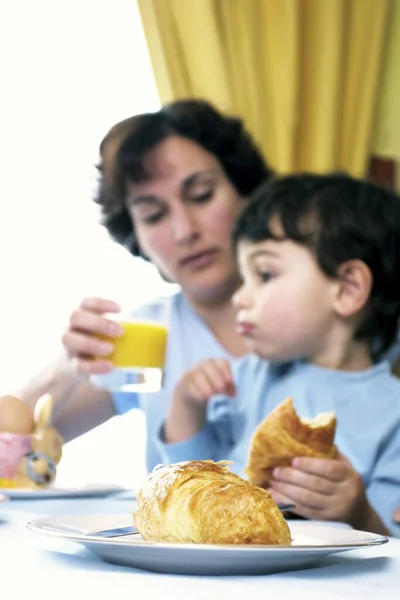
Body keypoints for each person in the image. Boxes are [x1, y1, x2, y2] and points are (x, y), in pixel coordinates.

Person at [16, 99, 273, 472]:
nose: (185, 230)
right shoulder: (146, 335)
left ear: (244, 192)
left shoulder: (323, 311)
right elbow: (12, 453)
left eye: (201, 195)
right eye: (153, 214)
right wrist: (68, 369)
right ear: (136, 236)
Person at [157, 173, 400, 536]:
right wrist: (187, 407)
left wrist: (356, 511)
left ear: (348, 288)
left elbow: (390, 549)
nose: (240, 297)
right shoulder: (249, 376)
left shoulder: (393, 412)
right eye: (243, 278)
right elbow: (186, 489)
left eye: (265, 274)